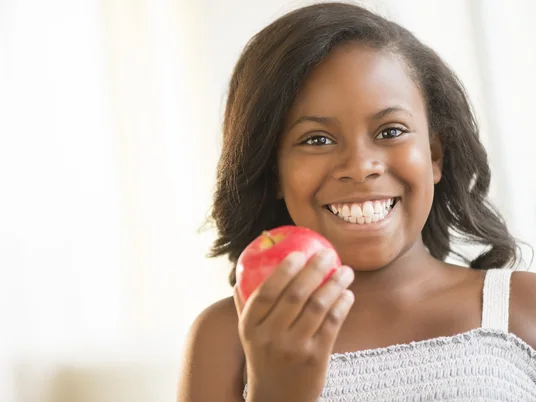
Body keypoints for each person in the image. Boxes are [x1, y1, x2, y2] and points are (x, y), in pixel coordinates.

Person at [177, 2, 536, 401]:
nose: (361, 167)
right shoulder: (227, 337)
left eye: (390, 131)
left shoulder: (522, 308)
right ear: (274, 171)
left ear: (435, 154)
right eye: (317, 140)